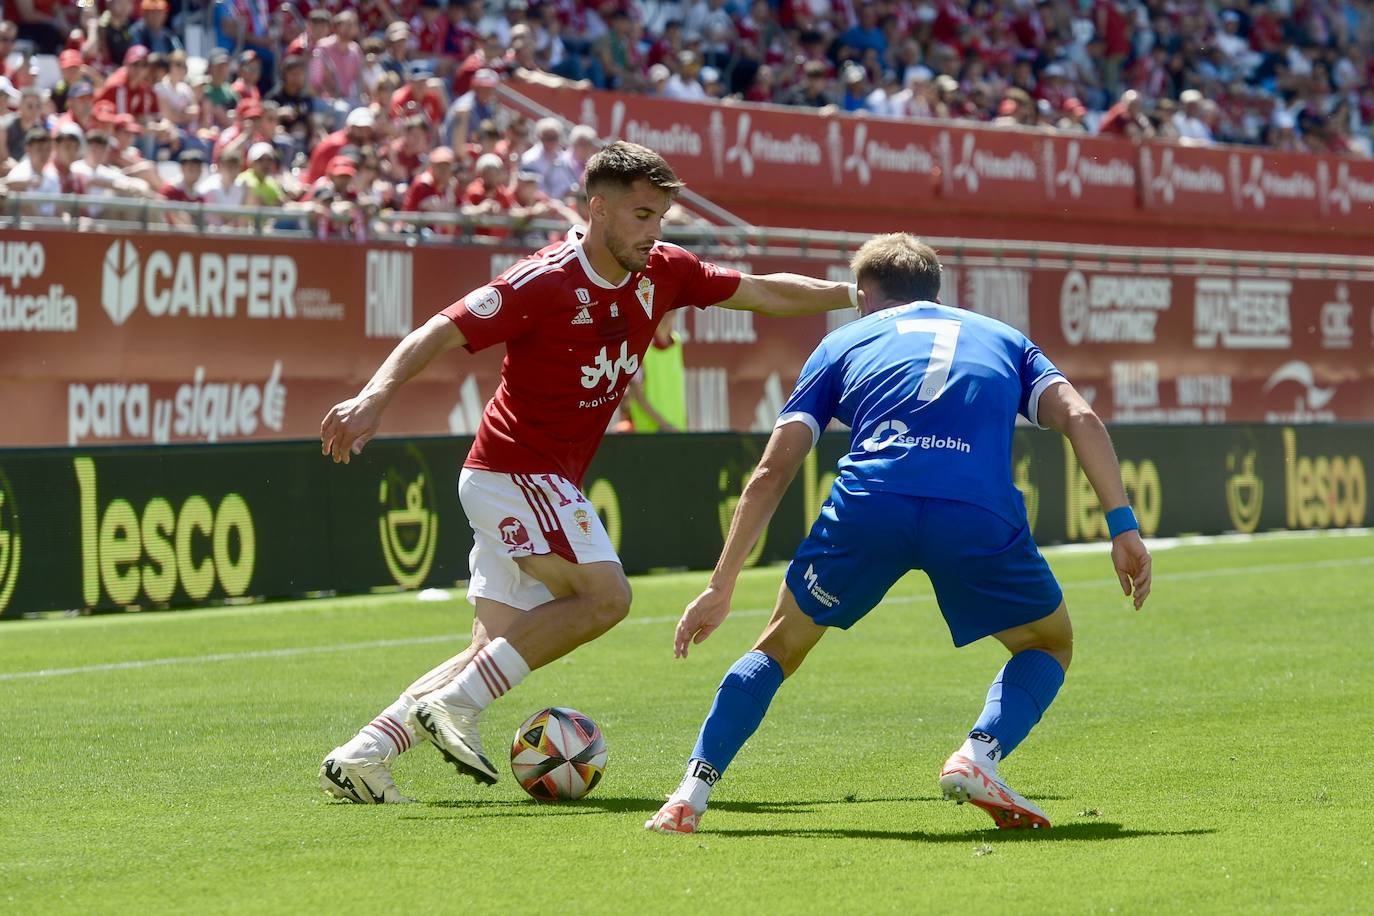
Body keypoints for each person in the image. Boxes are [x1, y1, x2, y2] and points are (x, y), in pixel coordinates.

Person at [317, 140, 861, 805]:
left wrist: (855, 294)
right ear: (597, 210)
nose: (654, 231)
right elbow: (440, 328)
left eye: (661, 216)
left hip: (536, 483)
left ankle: (365, 754)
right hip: (515, 472)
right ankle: (455, 708)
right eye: (640, 215)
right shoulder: (541, 280)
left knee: (496, 650)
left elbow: (763, 293)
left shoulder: (664, 270)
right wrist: (375, 395)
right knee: (608, 598)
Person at [645, 233, 1153, 834]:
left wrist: (720, 585)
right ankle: (978, 756)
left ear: (864, 297)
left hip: (871, 505)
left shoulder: (840, 343)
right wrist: (1123, 526)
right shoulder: (1005, 338)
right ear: (934, 290)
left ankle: (689, 794)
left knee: (777, 647)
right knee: (1049, 643)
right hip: (975, 510)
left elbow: (772, 470)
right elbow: (1081, 417)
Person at [623, 313, 686, 432]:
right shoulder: (640, 345)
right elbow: (637, 394)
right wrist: (665, 425)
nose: (671, 313)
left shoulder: (676, 342)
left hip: (677, 431)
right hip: (649, 434)